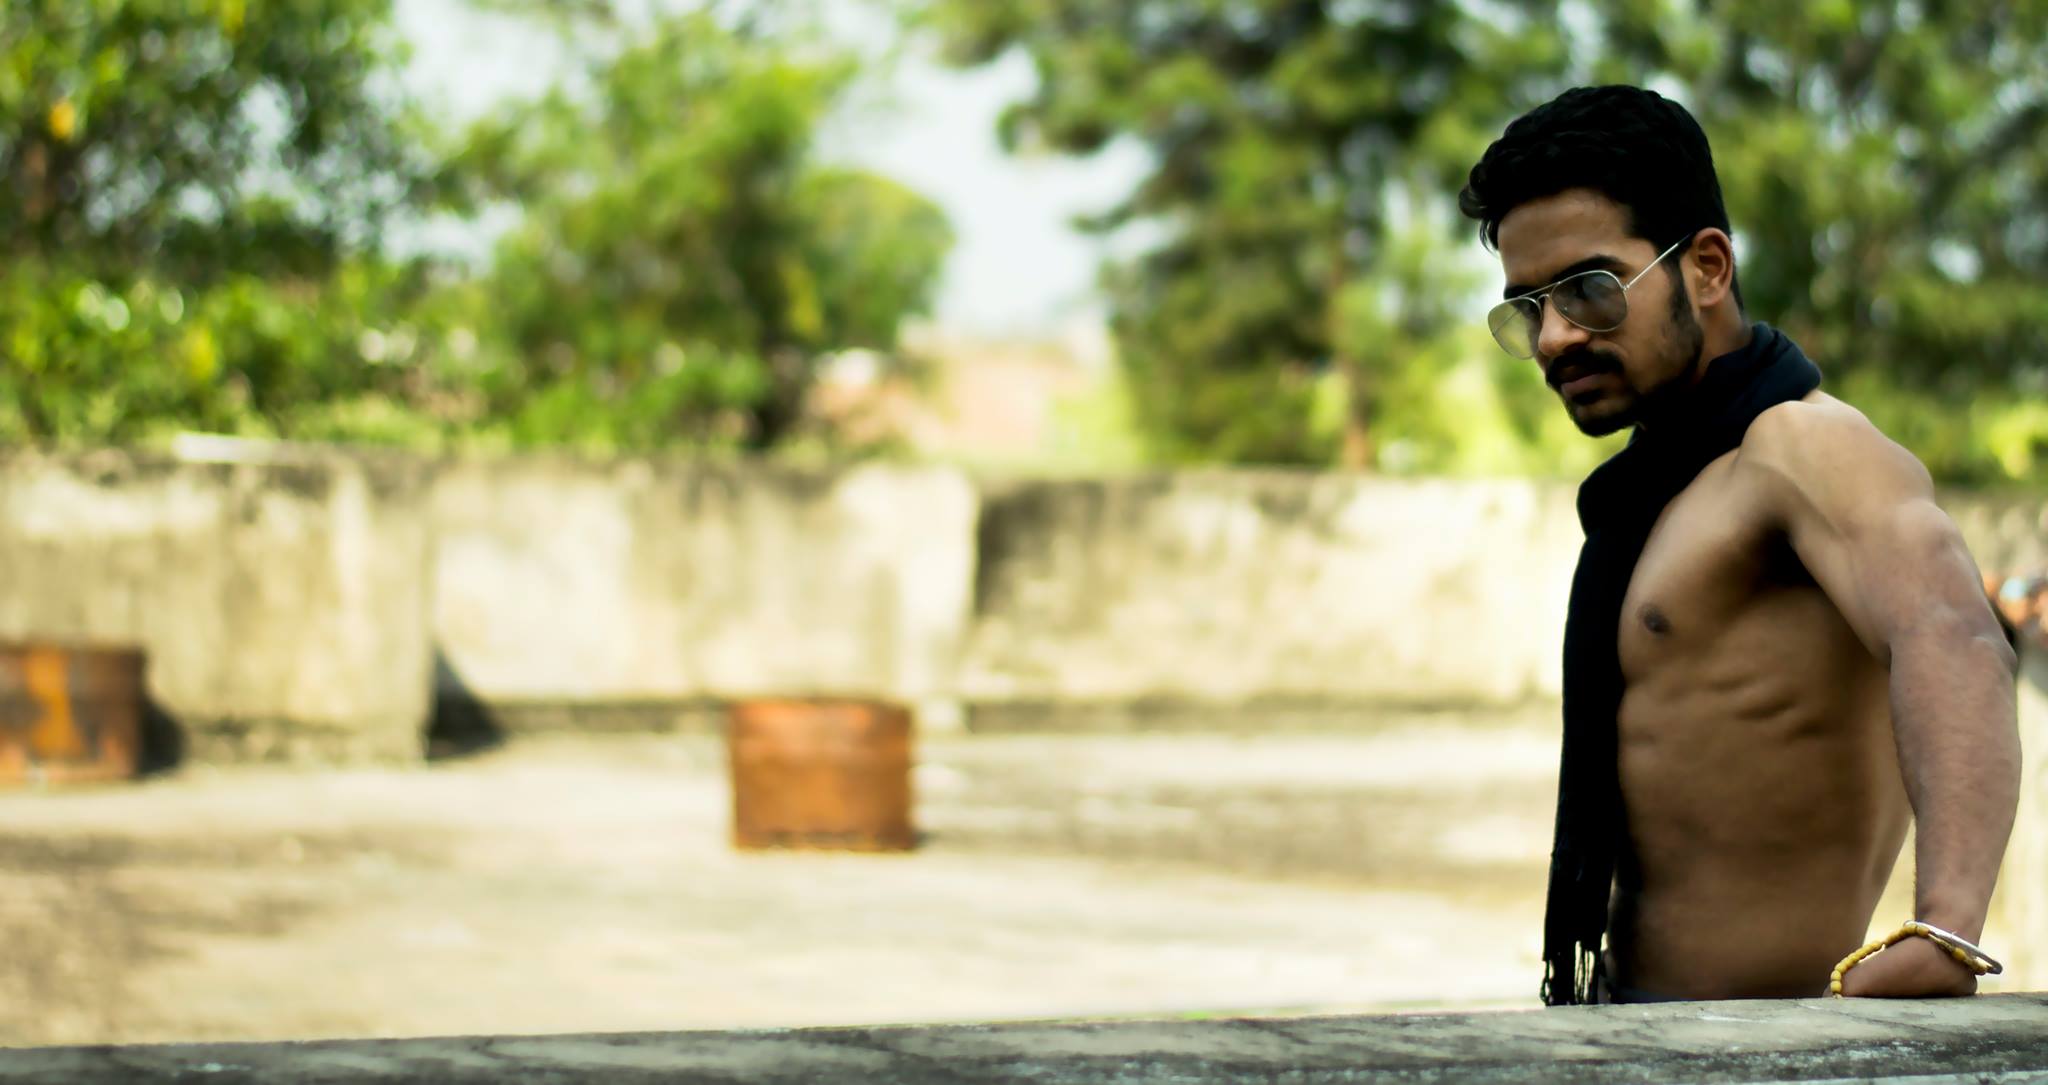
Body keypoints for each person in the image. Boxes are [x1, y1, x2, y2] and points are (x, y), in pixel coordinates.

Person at [1457, 85, 2021, 1005]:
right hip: (1629, 1034)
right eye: (1528, 308)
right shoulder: (1651, 494)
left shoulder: (1802, 450)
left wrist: (1948, 929)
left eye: (1590, 289)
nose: (1555, 337)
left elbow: (1952, 634)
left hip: (1758, 1050)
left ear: (1708, 267)